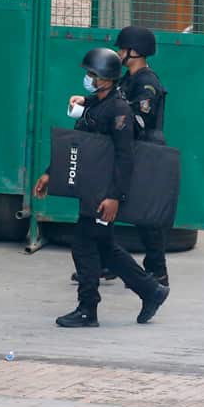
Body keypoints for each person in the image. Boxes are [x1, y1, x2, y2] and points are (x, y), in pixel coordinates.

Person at [33, 48, 169, 327]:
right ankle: (150, 291)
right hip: (92, 187)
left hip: (104, 191)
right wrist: (51, 174)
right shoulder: (96, 103)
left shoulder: (119, 111)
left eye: (93, 74)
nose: (88, 79)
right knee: (105, 247)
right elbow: (79, 145)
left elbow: (124, 157)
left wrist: (114, 197)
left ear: (107, 78)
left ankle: (88, 309)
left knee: (83, 247)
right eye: (88, 73)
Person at [70, 27, 170, 285]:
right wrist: (87, 102)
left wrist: (96, 114)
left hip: (145, 150)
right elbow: (110, 100)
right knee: (110, 208)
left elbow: (135, 115)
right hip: (128, 147)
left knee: (145, 214)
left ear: (133, 52)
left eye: (122, 49)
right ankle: (107, 261)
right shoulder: (127, 79)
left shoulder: (147, 82)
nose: (118, 52)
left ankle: (157, 270)